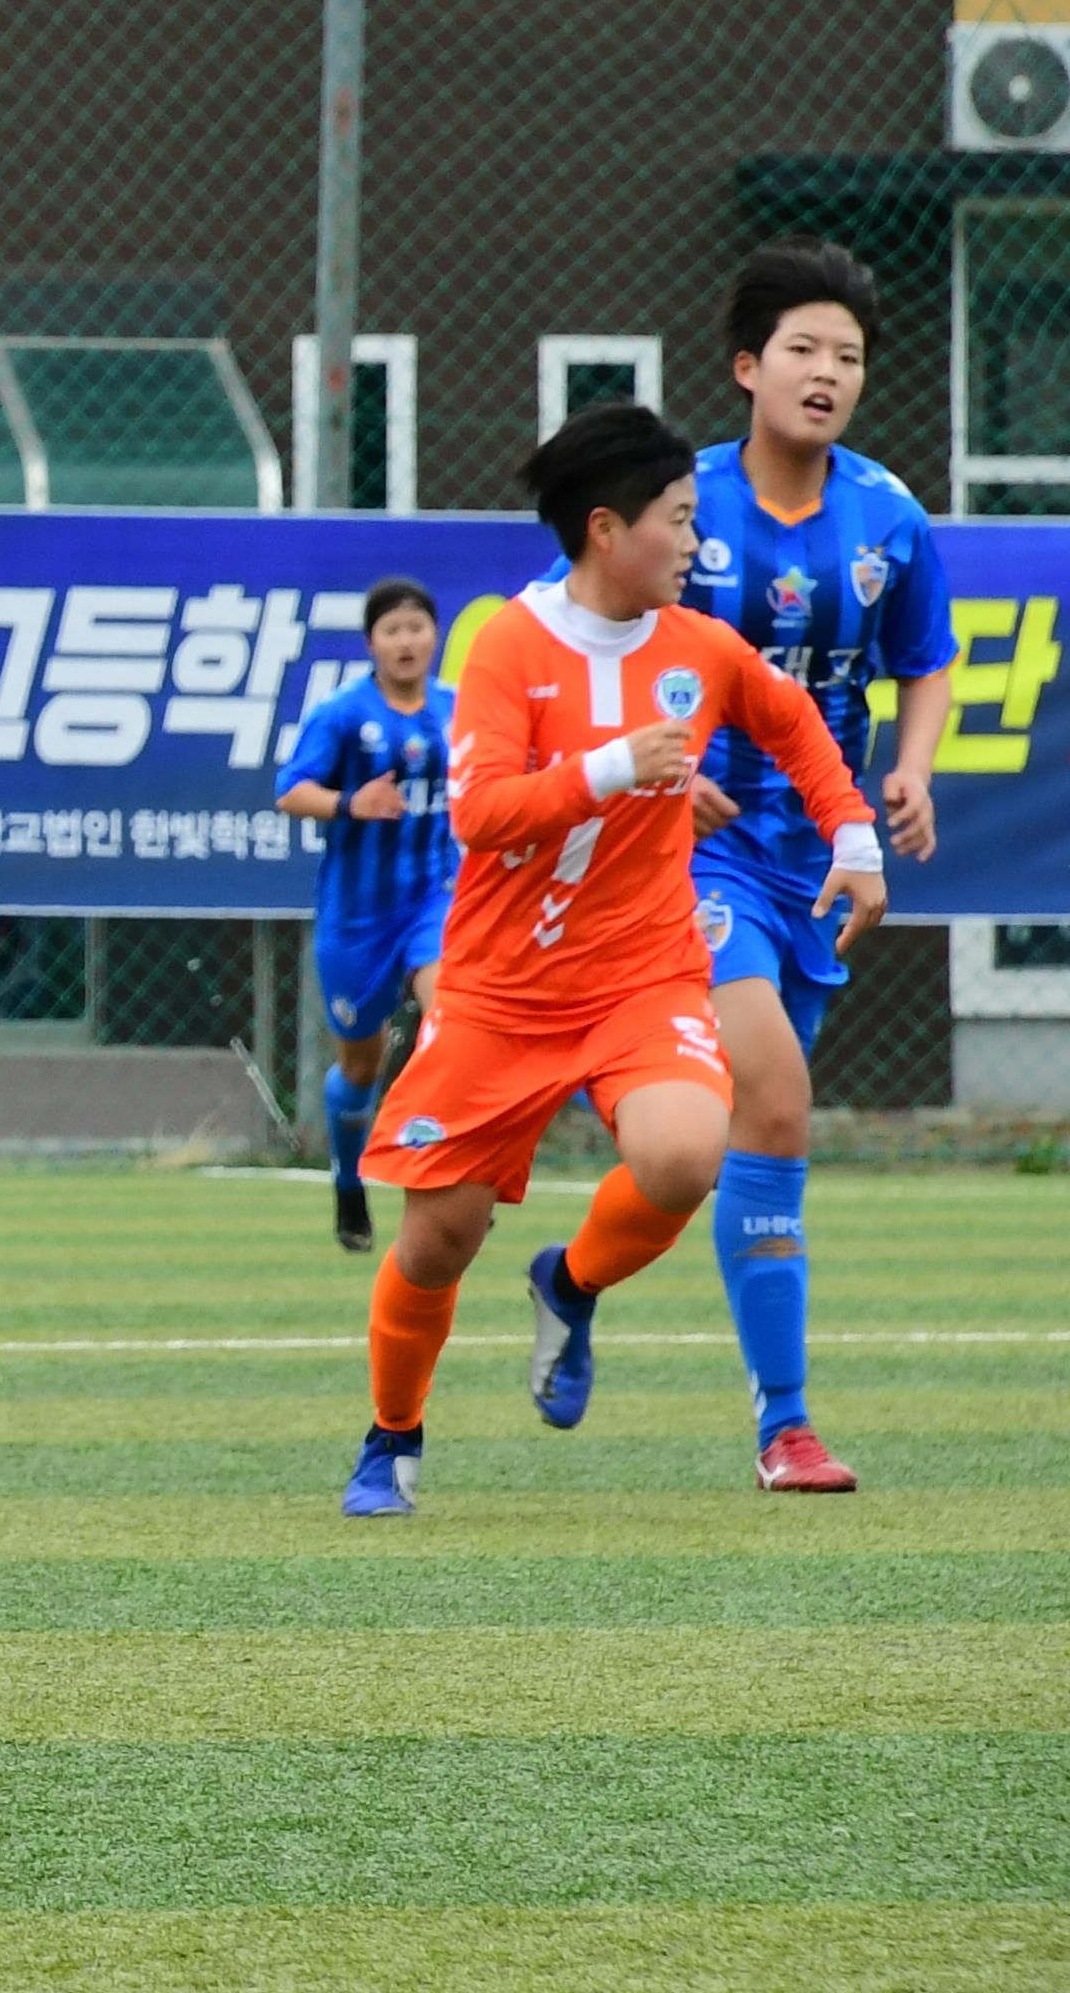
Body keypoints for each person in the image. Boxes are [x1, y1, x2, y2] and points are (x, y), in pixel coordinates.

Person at [340, 403, 882, 1520]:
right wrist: (611, 766)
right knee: (439, 1240)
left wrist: (855, 835)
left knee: (687, 1153)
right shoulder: (509, 644)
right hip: (499, 990)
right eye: (679, 521)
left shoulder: (700, 642)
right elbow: (485, 813)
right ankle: (391, 1435)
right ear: (604, 528)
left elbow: (792, 724)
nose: (695, 543)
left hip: (643, 972)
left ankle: (568, 1283)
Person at [672, 238, 954, 1493]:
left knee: (733, 1142)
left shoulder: (889, 513)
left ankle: (568, 1281)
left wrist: (915, 765)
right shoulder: (683, 506)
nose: (827, 371)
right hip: (705, 850)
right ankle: (785, 1424)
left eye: (847, 354)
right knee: (773, 1099)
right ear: (748, 367)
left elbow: (925, 657)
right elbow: (589, 632)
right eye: (803, 349)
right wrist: (662, 765)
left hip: (827, 862)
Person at [273, 579, 458, 1254]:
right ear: (372, 643)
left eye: (417, 628)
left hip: (434, 900)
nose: (407, 641)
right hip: (356, 918)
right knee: (360, 1064)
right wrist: (352, 803)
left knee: (454, 1020)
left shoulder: (457, 710)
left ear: (434, 636)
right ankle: (349, 1183)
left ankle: (447, 1170)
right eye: (392, 630)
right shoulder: (344, 713)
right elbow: (290, 792)